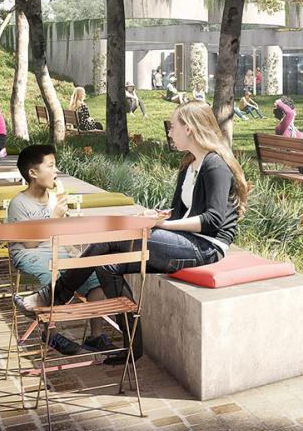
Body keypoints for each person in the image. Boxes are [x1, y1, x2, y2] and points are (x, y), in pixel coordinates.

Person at [25, 101, 248, 365]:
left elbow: (212, 220)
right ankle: (133, 346)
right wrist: (160, 216)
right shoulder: (189, 166)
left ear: (189, 128)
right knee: (107, 266)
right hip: (187, 240)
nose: (169, 132)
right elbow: (181, 211)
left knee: (116, 237)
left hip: (207, 247)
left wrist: (161, 226)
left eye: (173, 126)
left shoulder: (215, 165)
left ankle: (52, 297)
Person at [7, 144, 111, 355]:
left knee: (96, 278)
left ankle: (95, 336)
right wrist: (54, 218)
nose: (56, 172)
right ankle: (51, 334)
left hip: (56, 248)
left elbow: (61, 234)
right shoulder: (19, 203)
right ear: (33, 173)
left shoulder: (54, 199)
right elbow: (30, 244)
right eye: (51, 166)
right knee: (52, 274)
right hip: (29, 253)